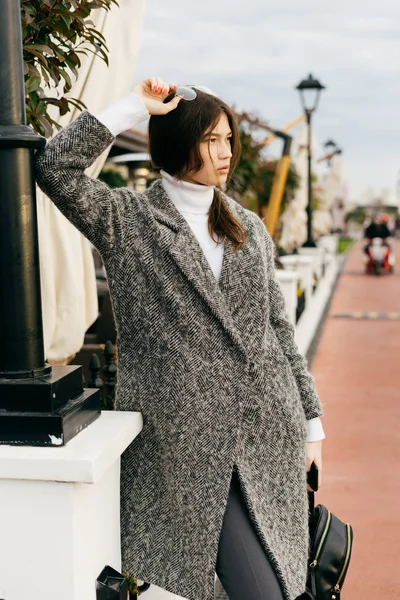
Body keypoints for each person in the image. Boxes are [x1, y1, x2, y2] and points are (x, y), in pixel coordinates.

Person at [34, 77, 325, 600]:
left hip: (265, 432)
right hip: (181, 449)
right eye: (211, 139)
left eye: (229, 139)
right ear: (178, 143)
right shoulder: (128, 221)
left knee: (282, 582)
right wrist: (132, 108)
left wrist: (312, 421)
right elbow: (55, 167)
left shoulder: (248, 227)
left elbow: (278, 330)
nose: (225, 152)